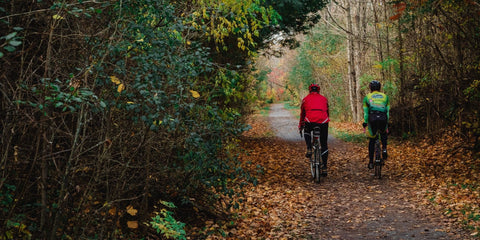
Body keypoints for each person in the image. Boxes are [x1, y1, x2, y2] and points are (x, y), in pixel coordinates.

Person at [298, 83, 330, 175]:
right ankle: (324, 167)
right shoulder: (324, 99)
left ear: (310, 90)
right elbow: (327, 112)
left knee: (306, 130)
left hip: (310, 121)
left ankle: (309, 148)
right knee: (324, 144)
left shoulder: (305, 99)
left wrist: (300, 126)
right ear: (318, 90)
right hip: (323, 121)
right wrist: (326, 121)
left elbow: (302, 114)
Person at [362, 80, 390, 169]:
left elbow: (366, 112)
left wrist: (365, 122)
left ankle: (370, 162)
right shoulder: (385, 97)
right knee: (383, 133)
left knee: (372, 140)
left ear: (370, 88)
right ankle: (384, 148)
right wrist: (387, 122)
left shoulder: (367, 97)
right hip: (383, 117)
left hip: (372, 118)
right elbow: (387, 111)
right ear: (379, 88)